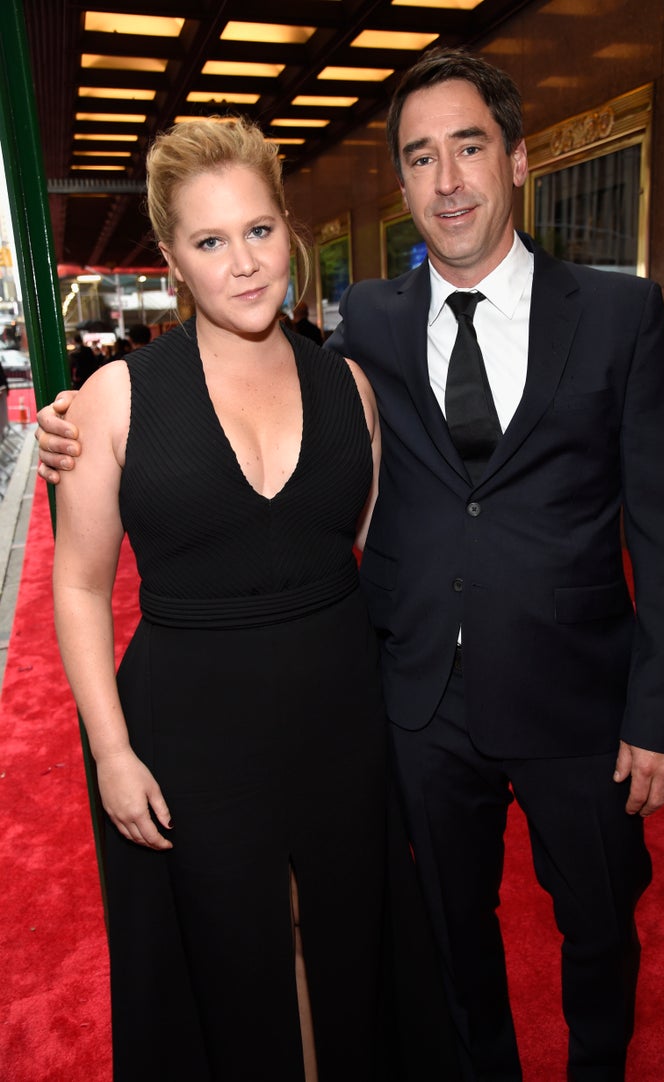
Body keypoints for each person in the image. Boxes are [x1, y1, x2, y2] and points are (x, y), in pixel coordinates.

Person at [36, 49, 664, 1081]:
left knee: (593, 930)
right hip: (407, 709)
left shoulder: (608, 318)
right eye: (421, 158)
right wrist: (67, 428)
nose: (447, 181)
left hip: (566, 697)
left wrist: (661, 712)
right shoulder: (371, 328)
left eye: (469, 148)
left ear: (519, 158)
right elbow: (120, 560)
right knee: (440, 940)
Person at [50, 114, 429, 1082]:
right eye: (211, 241)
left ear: (289, 230)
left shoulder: (351, 386)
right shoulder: (114, 400)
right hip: (189, 731)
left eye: (259, 230)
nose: (245, 264)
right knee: (228, 959)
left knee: (343, 941)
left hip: (342, 717)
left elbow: (368, 549)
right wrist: (111, 750)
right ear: (173, 256)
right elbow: (82, 583)